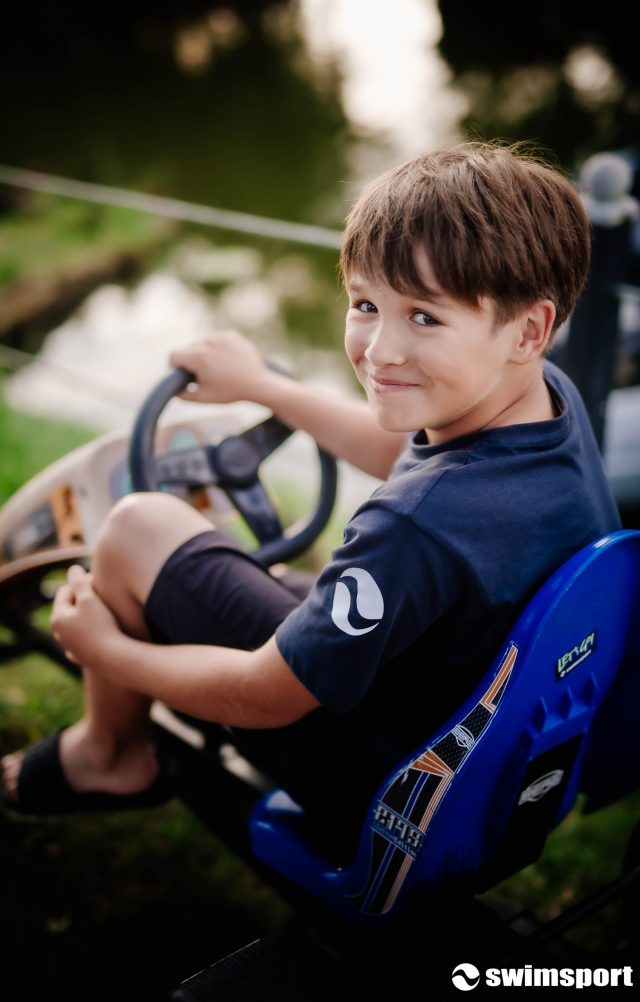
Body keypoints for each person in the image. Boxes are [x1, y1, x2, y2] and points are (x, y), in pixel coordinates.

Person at [1, 143, 621, 861]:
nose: (380, 350)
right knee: (249, 570)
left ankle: (108, 754)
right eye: (366, 305)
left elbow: (265, 695)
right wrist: (267, 388)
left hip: (382, 786)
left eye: (424, 317)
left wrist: (108, 651)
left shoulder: (413, 528)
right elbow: (402, 451)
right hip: (479, 759)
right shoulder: (543, 399)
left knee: (138, 526)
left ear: (529, 330)